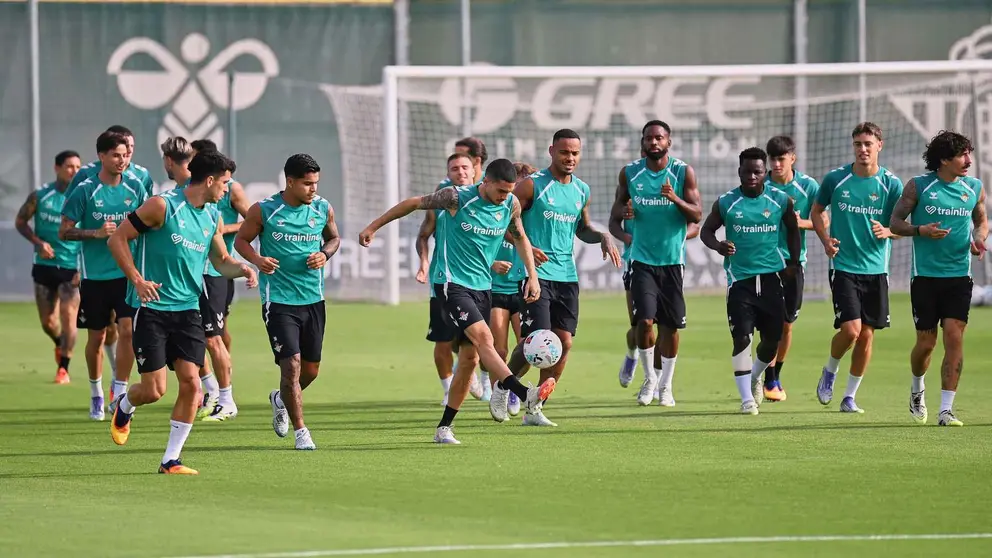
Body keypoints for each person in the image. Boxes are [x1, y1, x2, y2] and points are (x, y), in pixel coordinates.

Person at [359, 158, 554, 444]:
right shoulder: (455, 198)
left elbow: (520, 236)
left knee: (470, 359)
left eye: (509, 191)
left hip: (482, 288)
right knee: (486, 341)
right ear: (484, 181)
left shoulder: (510, 204)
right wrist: (373, 227)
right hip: (452, 285)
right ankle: (525, 394)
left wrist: (532, 276)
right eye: (500, 190)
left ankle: (444, 428)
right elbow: (413, 203)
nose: (505, 197)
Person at [107, 150, 256, 475]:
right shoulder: (162, 206)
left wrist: (244, 268)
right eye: (225, 183)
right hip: (153, 310)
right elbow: (118, 239)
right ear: (211, 180)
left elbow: (220, 262)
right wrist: (137, 279)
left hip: (189, 311)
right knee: (154, 390)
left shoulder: (212, 215)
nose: (227, 190)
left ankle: (170, 460)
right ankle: (126, 404)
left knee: (193, 385)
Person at [489, 129, 621, 426]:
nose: (570, 158)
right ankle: (503, 385)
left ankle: (535, 408)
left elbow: (582, 229)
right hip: (535, 275)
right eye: (564, 152)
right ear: (552, 151)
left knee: (563, 344)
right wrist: (524, 246)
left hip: (567, 276)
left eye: (575, 153)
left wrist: (602, 235)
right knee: (536, 342)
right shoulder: (531, 186)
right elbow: (503, 222)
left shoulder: (581, 190)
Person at [235, 154, 340, 450]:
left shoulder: (322, 208)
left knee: (311, 371)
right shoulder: (264, 210)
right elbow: (241, 241)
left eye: (316, 183)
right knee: (291, 366)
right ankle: (301, 432)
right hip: (278, 301)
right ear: (290, 182)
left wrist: (325, 254)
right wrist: (257, 259)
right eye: (307, 184)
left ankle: (280, 399)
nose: (313, 190)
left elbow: (334, 238)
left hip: (313, 299)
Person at [888, 130, 987, 427]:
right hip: (925, 278)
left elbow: (981, 222)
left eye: (969, 154)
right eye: (962, 155)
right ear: (944, 160)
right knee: (926, 344)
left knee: (954, 338)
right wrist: (921, 231)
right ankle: (917, 386)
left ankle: (946, 410)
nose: (968, 161)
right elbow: (894, 222)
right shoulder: (918, 187)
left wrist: (978, 240)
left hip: (959, 276)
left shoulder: (974, 188)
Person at [811, 122, 904, 413]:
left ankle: (849, 397)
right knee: (851, 331)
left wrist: (889, 232)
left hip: (877, 269)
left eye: (867, 144)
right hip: (844, 265)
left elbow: (902, 226)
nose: (862, 149)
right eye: (857, 144)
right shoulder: (836, 179)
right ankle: (830, 371)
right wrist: (826, 240)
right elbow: (816, 211)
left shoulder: (891, 184)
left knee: (866, 335)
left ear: (880, 145)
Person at [700, 147, 801, 415]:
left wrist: (792, 262)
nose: (752, 176)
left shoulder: (781, 200)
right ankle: (746, 399)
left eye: (757, 172)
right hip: (740, 281)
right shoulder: (727, 202)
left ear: (764, 172)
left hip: (771, 279)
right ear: (739, 172)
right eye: (747, 172)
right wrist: (719, 245)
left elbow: (792, 229)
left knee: (772, 341)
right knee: (742, 337)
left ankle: (756, 375)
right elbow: (706, 231)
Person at [609, 121, 702, 407]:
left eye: (659, 137)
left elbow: (697, 215)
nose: (654, 142)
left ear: (668, 142)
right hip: (641, 261)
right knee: (644, 321)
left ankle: (666, 385)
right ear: (643, 142)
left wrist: (674, 198)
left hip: (673, 262)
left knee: (670, 328)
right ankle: (649, 379)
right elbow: (614, 218)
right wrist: (625, 235)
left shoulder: (682, 172)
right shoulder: (630, 173)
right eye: (649, 138)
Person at [60, 131, 146, 420]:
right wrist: (95, 233)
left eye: (125, 155)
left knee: (128, 331)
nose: (122, 160)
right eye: (115, 155)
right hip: (95, 277)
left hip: (126, 274)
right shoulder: (85, 189)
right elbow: (65, 231)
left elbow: (149, 225)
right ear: (101, 157)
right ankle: (96, 393)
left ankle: (118, 391)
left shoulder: (135, 188)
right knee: (96, 337)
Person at [414, 152, 485, 405]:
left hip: (477, 281)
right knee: (443, 339)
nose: (461, 172)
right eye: (455, 168)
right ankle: (448, 387)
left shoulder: (484, 196)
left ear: (475, 169)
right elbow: (423, 235)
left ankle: (472, 370)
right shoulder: (442, 197)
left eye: (465, 167)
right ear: (448, 173)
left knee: (476, 339)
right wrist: (423, 265)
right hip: (443, 280)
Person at [189, 139, 251, 419]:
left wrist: (224, 228)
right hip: (201, 270)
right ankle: (215, 388)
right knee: (209, 333)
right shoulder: (187, 195)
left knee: (213, 334)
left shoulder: (230, 190)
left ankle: (223, 395)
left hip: (216, 271)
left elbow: (253, 220)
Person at [760, 136, 821, 402]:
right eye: (772, 159)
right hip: (764, 262)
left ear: (792, 158)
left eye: (781, 159)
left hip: (794, 263)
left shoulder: (808, 186)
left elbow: (824, 219)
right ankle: (764, 375)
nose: (775, 164)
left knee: (786, 324)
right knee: (765, 324)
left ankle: (774, 374)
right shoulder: (760, 185)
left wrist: (801, 222)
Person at [15, 150, 83, 383]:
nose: (74, 171)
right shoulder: (41, 196)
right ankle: (59, 343)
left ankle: (63, 368)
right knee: (48, 322)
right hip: (44, 266)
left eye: (77, 167)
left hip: (71, 267)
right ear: (57, 168)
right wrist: (38, 243)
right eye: (69, 166)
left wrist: (84, 266)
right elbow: (20, 221)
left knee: (68, 316)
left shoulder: (83, 198)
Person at [485, 161, 538, 417]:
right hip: (496, 289)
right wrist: (492, 264)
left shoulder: (528, 218)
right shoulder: (496, 212)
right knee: (500, 349)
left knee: (526, 348)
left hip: (520, 286)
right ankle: (499, 392)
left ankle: (511, 388)